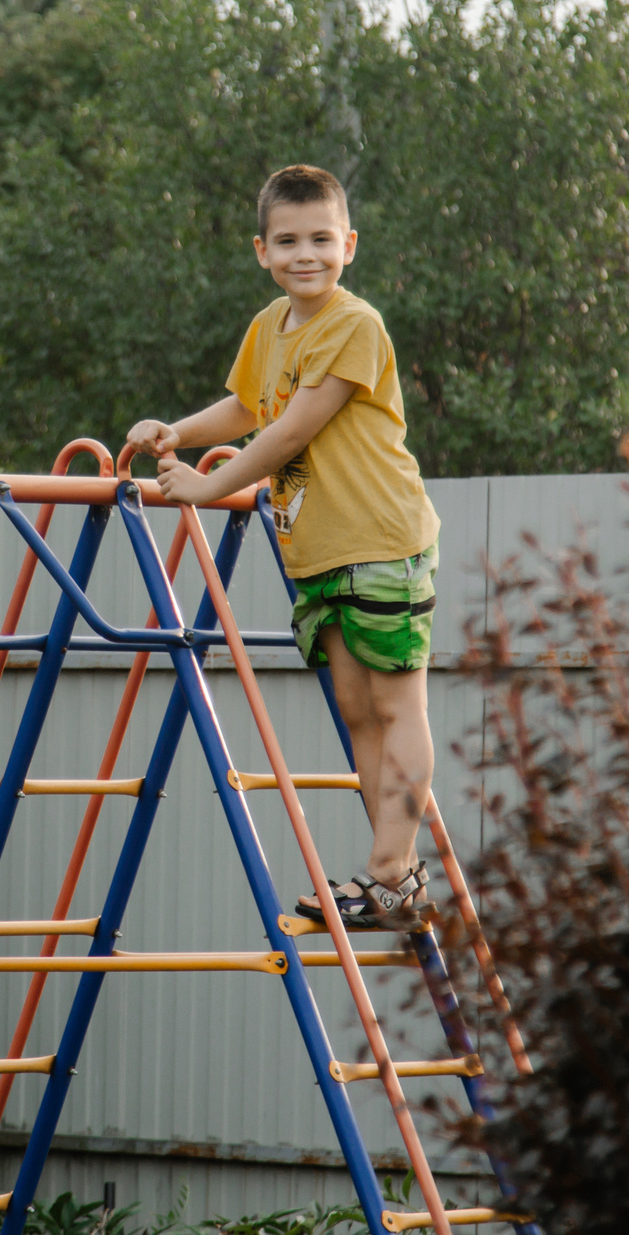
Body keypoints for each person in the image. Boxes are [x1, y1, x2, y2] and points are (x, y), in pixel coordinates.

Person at [124, 163, 441, 931]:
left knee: (396, 702)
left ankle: (393, 872)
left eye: (323, 239)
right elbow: (246, 404)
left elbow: (293, 427)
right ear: (261, 249)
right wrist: (180, 432)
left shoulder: (353, 324)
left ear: (350, 245)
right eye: (290, 240)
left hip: (380, 536)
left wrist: (208, 485)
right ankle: (392, 879)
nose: (308, 254)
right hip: (321, 550)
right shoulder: (271, 326)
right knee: (357, 708)